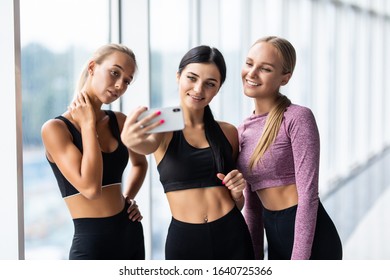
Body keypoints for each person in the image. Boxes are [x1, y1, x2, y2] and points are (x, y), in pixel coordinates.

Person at [121, 45, 255, 260]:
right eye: (192, 78)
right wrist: (130, 140)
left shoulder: (228, 132)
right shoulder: (162, 124)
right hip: (186, 241)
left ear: (218, 88)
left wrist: (238, 192)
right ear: (178, 76)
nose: (199, 89)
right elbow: (146, 146)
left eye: (210, 84)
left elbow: (237, 203)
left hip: (232, 234)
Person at [237, 36, 342, 260]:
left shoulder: (297, 118)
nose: (252, 73)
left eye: (265, 68)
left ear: (285, 77)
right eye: (249, 63)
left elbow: (308, 195)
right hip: (274, 236)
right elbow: (253, 207)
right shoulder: (242, 130)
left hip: (310, 239)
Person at [41, 43, 147, 260]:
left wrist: (128, 198)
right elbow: (90, 188)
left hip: (130, 232)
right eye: (114, 73)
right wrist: (88, 124)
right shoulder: (55, 129)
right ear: (92, 67)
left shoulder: (119, 121)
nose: (119, 85)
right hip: (91, 243)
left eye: (126, 81)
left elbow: (140, 163)